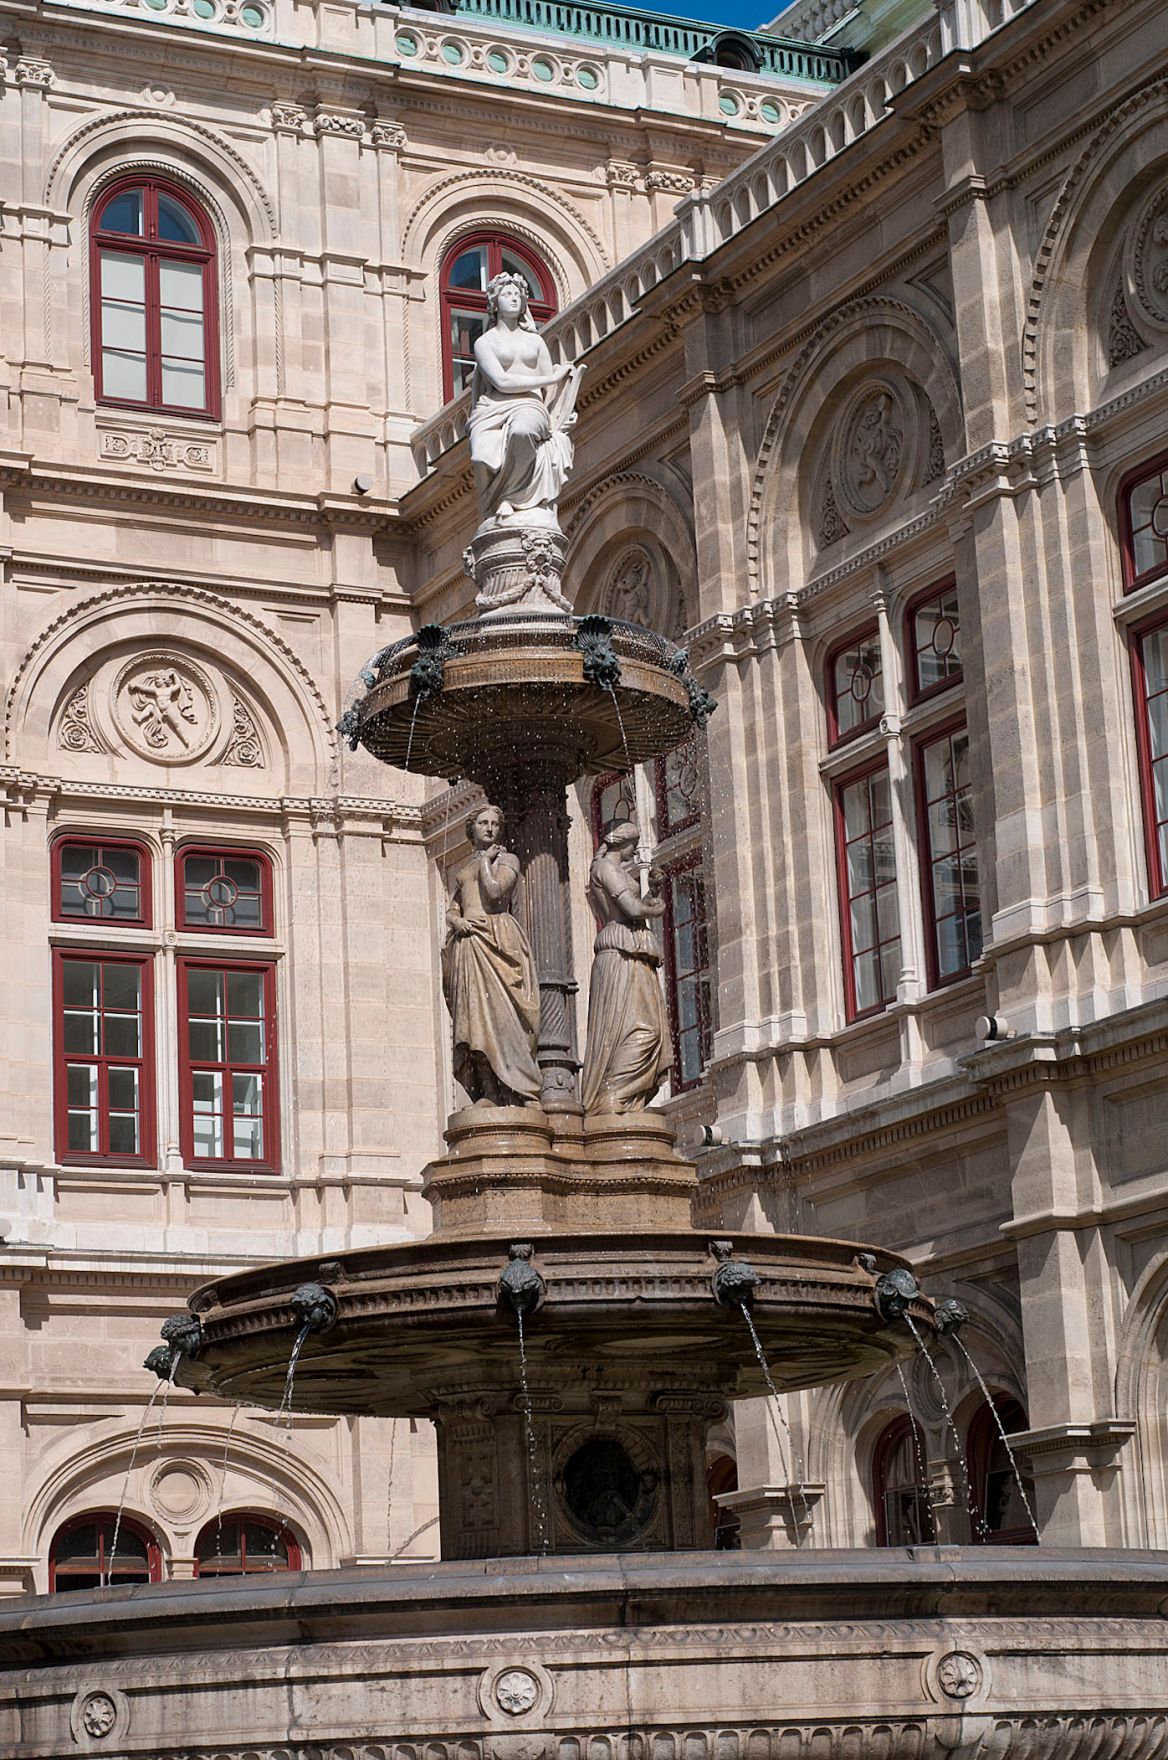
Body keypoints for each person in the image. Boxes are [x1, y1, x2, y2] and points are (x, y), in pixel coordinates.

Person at [441, 804, 541, 1107]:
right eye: (483, 823)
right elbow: (453, 908)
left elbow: (496, 892)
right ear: (472, 829)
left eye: (495, 824)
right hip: (470, 944)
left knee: (503, 1016)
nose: (489, 828)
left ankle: (518, 1088)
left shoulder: (507, 859)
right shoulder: (466, 868)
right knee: (474, 1022)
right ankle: (488, 1091)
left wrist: (486, 862)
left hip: (497, 938)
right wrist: (456, 921)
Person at [468, 271, 583, 531]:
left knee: (521, 432)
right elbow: (501, 382)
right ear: (495, 302)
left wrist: (562, 411)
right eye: (507, 294)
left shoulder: (535, 341)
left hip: (531, 406)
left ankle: (511, 498)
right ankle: (496, 498)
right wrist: (550, 378)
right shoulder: (485, 342)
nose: (514, 299)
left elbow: (550, 391)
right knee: (480, 456)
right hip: (493, 409)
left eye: (518, 295)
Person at [581, 820, 671, 1114]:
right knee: (640, 1030)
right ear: (622, 840)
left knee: (647, 1029)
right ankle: (612, 1095)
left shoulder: (615, 870)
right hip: (621, 951)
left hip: (633, 949)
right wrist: (655, 908)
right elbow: (632, 910)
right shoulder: (605, 868)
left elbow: (634, 907)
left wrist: (652, 892)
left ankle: (622, 1098)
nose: (635, 850)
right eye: (634, 843)